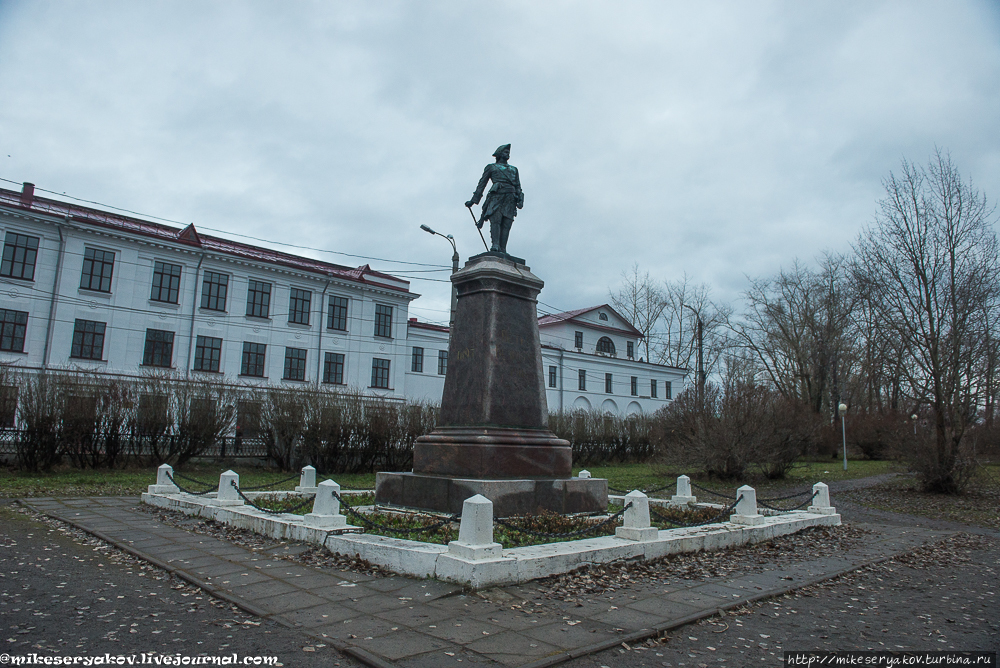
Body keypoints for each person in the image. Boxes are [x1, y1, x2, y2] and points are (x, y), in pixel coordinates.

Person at [465, 144, 523, 254]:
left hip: (510, 197)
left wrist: (520, 198)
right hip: (496, 196)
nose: (508, 154)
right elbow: (482, 184)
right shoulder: (491, 167)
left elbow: (518, 186)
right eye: (505, 152)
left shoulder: (514, 169)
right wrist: (473, 201)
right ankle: (495, 245)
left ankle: (503, 248)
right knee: (496, 220)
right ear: (499, 154)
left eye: (508, 152)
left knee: (507, 223)